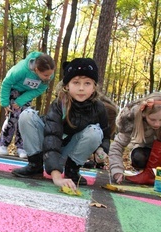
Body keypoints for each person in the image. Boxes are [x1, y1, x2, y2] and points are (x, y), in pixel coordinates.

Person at [12, 58, 111, 189]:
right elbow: (52, 138)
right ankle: (35, 165)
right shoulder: (59, 104)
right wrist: (56, 177)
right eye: (76, 83)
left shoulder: (99, 107)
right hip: (48, 148)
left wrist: (102, 150)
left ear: (94, 87)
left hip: (70, 152)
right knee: (26, 115)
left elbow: (105, 134)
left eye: (87, 83)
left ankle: (72, 170)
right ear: (67, 86)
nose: (81, 88)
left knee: (96, 131)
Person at [0, 51, 55, 159]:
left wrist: (20, 101)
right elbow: (6, 82)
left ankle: (21, 147)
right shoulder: (21, 70)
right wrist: (5, 102)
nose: (49, 77)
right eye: (46, 75)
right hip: (14, 89)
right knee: (13, 117)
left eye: (50, 74)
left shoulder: (49, 76)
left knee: (24, 119)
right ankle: (2, 144)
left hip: (27, 94)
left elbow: (38, 90)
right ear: (36, 70)